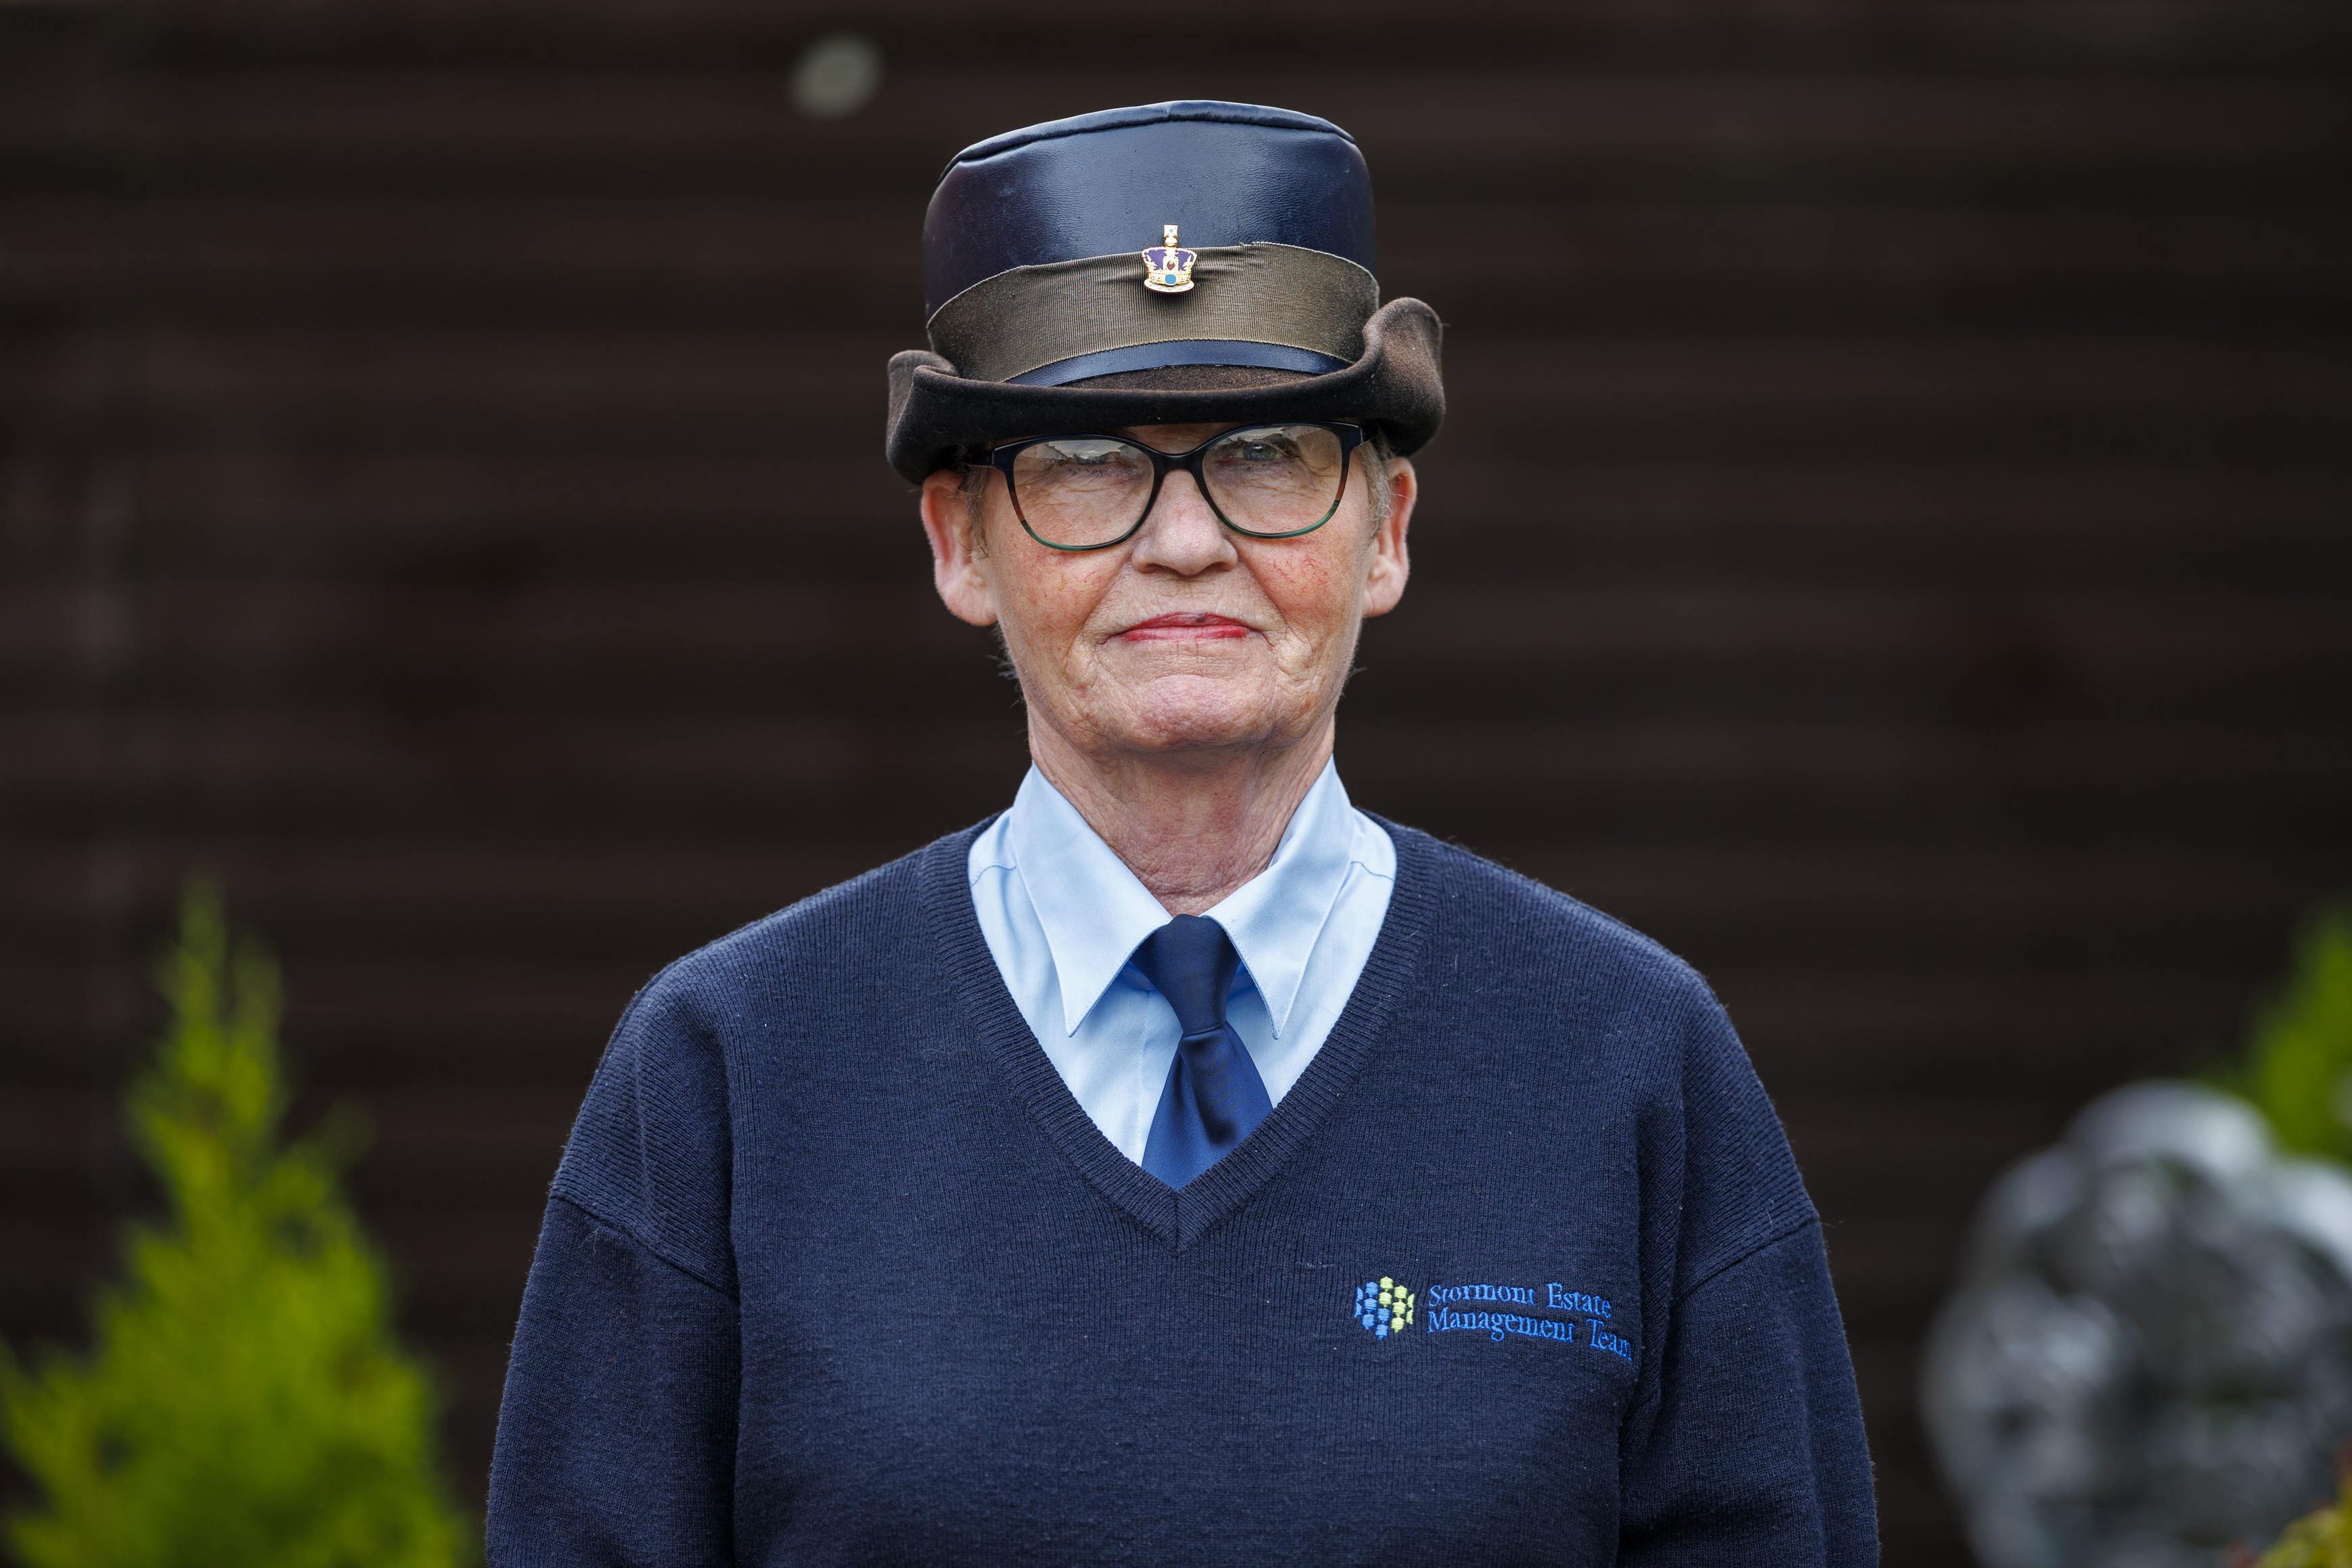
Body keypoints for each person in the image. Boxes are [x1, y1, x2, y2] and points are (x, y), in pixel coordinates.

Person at [486, 101, 1879, 1565]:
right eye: (1086, 461)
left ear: (1386, 528)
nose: (1184, 539)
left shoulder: (1630, 1061)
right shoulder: (726, 1071)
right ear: (960, 544)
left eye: (1265, 451)